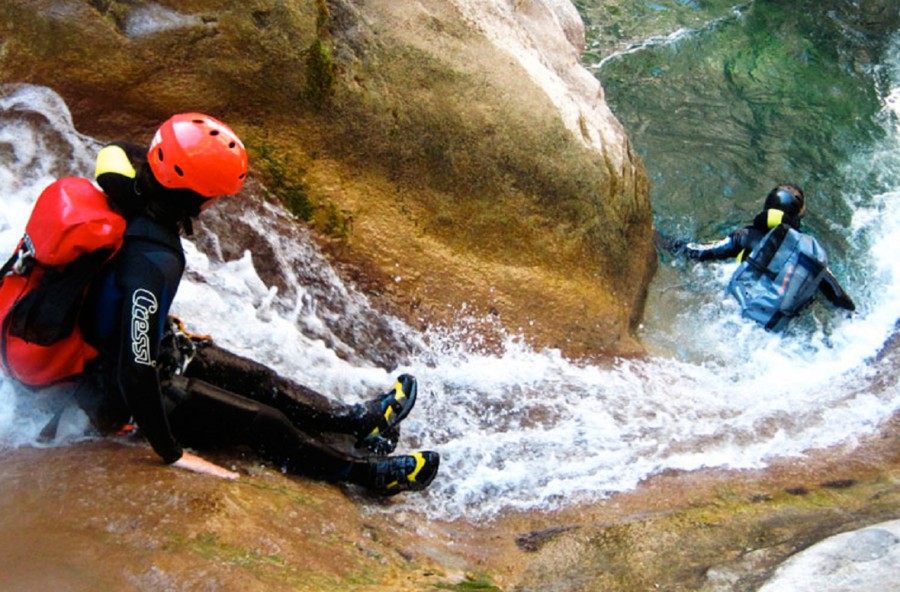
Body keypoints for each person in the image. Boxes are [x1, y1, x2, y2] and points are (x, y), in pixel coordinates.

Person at [48, 113, 440, 495]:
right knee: (265, 422)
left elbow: (118, 150)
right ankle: (368, 475)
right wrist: (170, 452)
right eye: (214, 194)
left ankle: (359, 421)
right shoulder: (154, 260)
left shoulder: (127, 181)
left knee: (260, 381)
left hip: (134, 350)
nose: (215, 201)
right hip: (114, 394)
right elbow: (136, 369)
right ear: (195, 196)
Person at [658, 184, 855, 328]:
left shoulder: (746, 236)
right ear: (798, 217)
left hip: (735, 313)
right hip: (777, 328)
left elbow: (696, 252)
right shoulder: (809, 253)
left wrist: (658, 238)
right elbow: (839, 298)